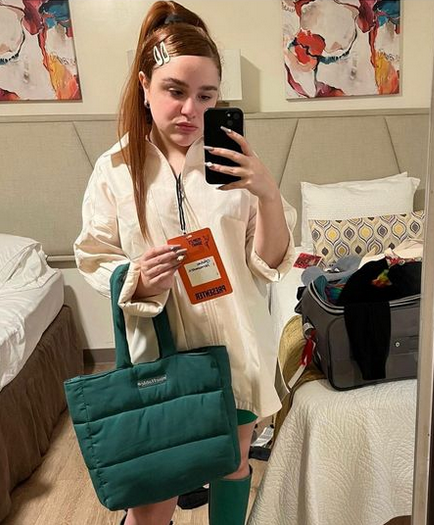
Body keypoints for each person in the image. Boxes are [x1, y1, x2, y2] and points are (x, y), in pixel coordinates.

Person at [74, 2, 296, 524]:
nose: (190, 110)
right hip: (160, 355)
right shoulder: (116, 170)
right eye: (175, 91)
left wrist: (267, 193)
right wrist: (135, 276)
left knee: (233, 465)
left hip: (235, 346)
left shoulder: (234, 163)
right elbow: (93, 254)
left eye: (205, 95)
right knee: (157, 490)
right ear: (145, 86)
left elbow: (268, 264)